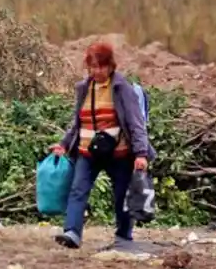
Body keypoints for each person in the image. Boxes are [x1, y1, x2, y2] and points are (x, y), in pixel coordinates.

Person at [50, 42, 155, 249]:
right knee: (78, 190)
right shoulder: (84, 88)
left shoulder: (122, 88)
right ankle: (72, 232)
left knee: (121, 195)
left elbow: (136, 123)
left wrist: (141, 153)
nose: (97, 71)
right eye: (93, 66)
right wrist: (63, 144)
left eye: (101, 66)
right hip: (87, 151)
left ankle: (124, 237)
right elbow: (78, 122)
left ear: (110, 66)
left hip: (119, 153)